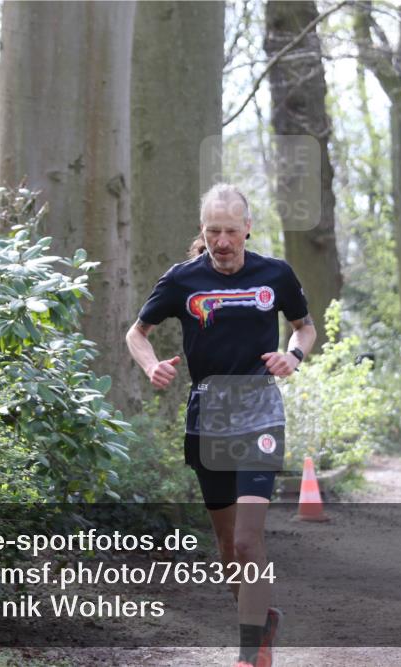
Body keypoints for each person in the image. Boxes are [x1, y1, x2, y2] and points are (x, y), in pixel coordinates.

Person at [126, 183, 316, 667]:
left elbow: (305, 326)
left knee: (250, 539)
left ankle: (249, 653)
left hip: (259, 412)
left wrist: (293, 355)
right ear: (202, 231)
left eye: (232, 231)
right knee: (229, 546)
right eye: (214, 231)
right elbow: (137, 333)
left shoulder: (275, 274)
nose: (223, 241)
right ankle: (261, 622)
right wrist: (151, 366)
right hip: (208, 415)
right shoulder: (183, 280)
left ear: (248, 228)